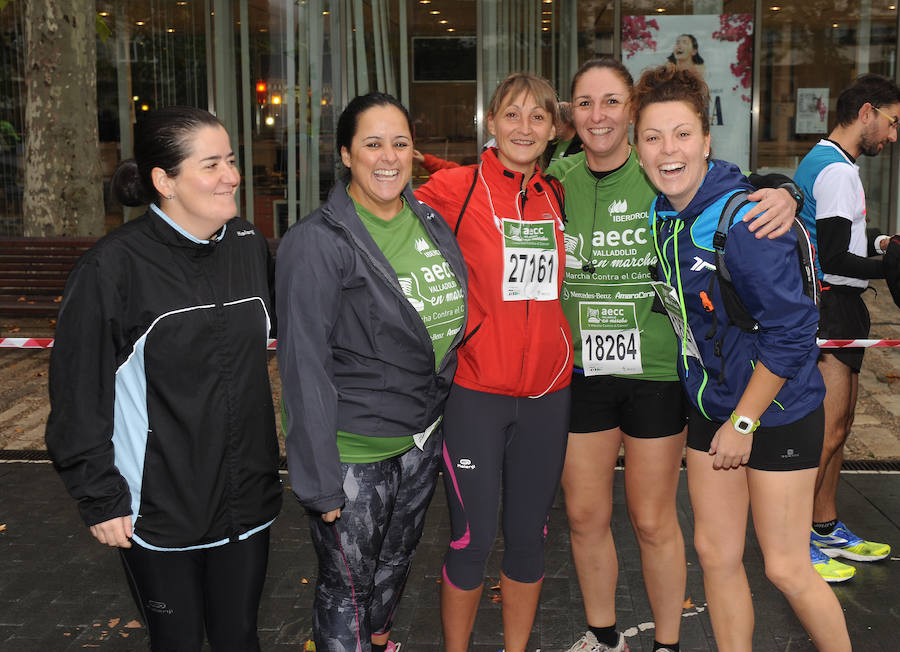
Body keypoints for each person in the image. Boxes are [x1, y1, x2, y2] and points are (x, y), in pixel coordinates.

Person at [547, 57, 799, 652]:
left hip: (658, 375)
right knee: (584, 517)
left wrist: (786, 191)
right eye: (585, 102)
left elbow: (736, 184)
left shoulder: (661, 171)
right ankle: (604, 634)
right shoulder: (555, 179)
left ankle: (666, 643)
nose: (598, 114)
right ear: (571, 115)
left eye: (612, 101)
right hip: (581, 371)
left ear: (630, 114)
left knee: (654, 520)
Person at [45, 106, 282, 651]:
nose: (231, 175)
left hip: (246, 500)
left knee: (239, 638)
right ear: (164, 181)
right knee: (176, 643)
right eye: (211, 164)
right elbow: (77, 394)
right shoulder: (113, 267)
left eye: (231, 160)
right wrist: (100, 497)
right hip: (158, 509)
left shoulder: (248, 244)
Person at [637, 65, 851, 651]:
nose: (667, 150)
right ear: (638, 149)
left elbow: (792, 333)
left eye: (682, 134)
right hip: (713, 407)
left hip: (773, 411)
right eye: (652, 137)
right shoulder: (666, 218)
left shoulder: (746, 221)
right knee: (716, 555)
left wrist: (743, 422)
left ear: (707, 141)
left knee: (784, 566)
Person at [275, 92, 468, 652]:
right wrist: (317, 478)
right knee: (347, 591)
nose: (389, 157)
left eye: (401, 143)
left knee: (394, 567)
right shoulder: (316, 242)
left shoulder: (427, 220)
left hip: (419, 436)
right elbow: (302, 366)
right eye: (373, 144)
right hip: (354, 449)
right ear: (346, 154)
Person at [414, 72, 572, 652]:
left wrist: (783, 188)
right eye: (512, 114)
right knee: (471, 540)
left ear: (554, 129)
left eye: (537, 116)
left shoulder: (560, 191)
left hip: (548, 397)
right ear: (491, 121)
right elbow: (378, 204)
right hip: (476, 394)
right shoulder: (454, 188)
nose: (524, 127)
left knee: (529, 538)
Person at [794, 74, 899, 581]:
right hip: (831, 305)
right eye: (892, 121)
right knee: (828, 432)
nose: (893, 135)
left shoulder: (830, 162)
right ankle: (795, 539)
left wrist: (881, 245)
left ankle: (824, 525)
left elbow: (840, 239)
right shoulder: (838, 172)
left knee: (843, 428)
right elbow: (835, 259)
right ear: (866, 114)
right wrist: (890, 268)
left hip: (840, 305)